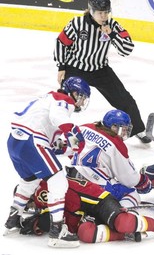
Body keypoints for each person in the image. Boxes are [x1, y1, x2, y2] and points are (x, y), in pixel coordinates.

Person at [4, 76, 91, 248]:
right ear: (71, 93)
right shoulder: (64, 100)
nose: (80, 102)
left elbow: (53, 144)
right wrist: (75, 133)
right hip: (32, 141)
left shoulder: (47, 98)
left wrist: (70, 148)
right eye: (80, 97)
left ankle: (12, 221)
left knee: (29, 181)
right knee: (58, 181)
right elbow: (58, 118)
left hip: (15, 141)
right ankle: (57, 233)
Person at [53, 0, 151, 144]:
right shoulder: (77, 23)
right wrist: (62, 66)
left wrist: (111, 35)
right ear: (91, 11)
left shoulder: (112, 25)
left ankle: (137, 129)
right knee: (65, 102)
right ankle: (55, 132)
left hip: (100, 70)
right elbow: (61, 42)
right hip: (75, 68)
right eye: (100, 13)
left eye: (106, 12)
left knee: (126, 100)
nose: (104, 16)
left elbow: (127, 49)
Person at [18, 176, 154, 243]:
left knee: (123, 222)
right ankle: (125, 233)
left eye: (29, 206)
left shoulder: (41, 192)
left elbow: (71, 205)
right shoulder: (43, 188)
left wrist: (40, 223)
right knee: (86, 233)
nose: (32, 209)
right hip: (85, 209)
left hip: (99, 201)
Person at [65, 109, 152, 208]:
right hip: (93, 184)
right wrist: (142, 181)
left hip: (71, 177)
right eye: (123, 129)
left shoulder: (84, 127)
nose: (124, 133)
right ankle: (117, 216)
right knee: (132, 194)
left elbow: (69, 150)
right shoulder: (116, 144)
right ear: (113, 127)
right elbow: (128, 179)